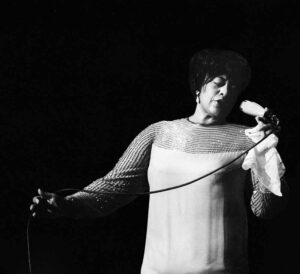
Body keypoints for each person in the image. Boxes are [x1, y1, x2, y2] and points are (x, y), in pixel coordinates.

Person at [30, 49, 288, 274]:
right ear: (198, 86)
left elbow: (265, 209)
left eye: (233, 87)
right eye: (219, 82)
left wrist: (267, 151)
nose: (225, 91)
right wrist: (66, 205)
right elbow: (114, 189)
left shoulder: (248, 139)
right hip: (157, 269)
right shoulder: (158, 133)